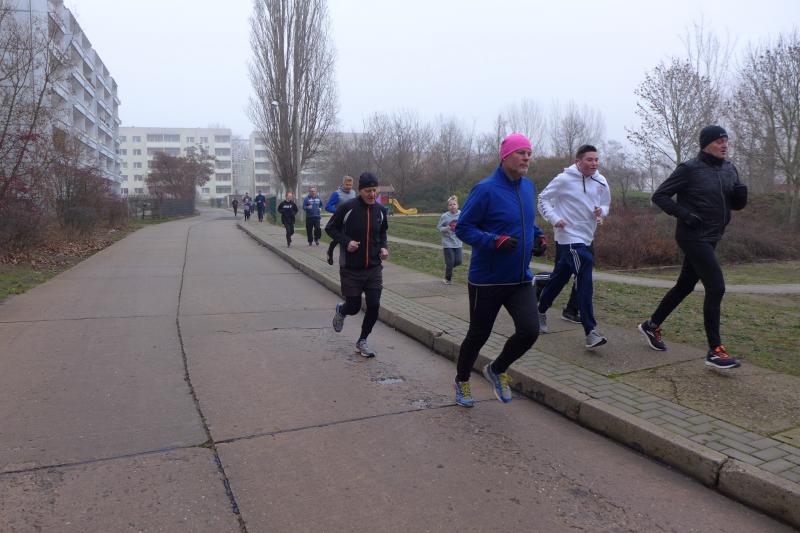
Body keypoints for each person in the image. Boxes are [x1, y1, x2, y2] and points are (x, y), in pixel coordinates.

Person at [638, 125, 748, 370]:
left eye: (726, 141)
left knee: (685, 285)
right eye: (719, 141)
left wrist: (741, 197)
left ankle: (651, 325)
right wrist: (685, 215)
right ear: (706, 144)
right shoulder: (689, 169)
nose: (724, 145)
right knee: (716, 287)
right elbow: (660, 195)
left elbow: (735, 205)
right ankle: (715, 351)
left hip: (713, 236)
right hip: (692, 235)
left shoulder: (730, 169)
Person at [452, 133, 544, 407]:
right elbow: (463, 228)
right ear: (505, 156)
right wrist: (494, 241)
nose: (526, 157)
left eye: (529, 153)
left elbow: (526, 221)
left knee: (530, 331)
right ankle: (462, 381)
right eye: (521, 153)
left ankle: (497, 368)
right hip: (487, 280)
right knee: (478, 335)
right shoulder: (485, 189)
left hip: (519, 278)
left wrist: (538, 236)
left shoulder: (528, 187)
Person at [537, 144, 611, 349]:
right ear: (578, 162)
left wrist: (601, 212)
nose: (594, 163)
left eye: (596, 159)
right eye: (589, 159)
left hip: (587, 236)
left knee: (559, 278)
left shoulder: (601, 181)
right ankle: (591, 331)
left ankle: (540, 310)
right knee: (584, 276)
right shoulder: (564, 179)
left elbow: (606, 204)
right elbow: (543, 198)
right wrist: (554, 218)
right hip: (568, 236)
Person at [327, 172, 389, 358]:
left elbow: (383, 233)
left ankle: (362, 340)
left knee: (374, 305)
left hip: (373, 267)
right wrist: (347, 242)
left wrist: (384, 248)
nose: (372, 194)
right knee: (353, 307)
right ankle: (341, 310)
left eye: (374, 190)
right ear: (360, 191)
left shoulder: (381, 210)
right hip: (351, 267)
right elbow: (330, 228)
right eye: (368, 191)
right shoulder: (348, 208)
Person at [325, 175, 357, 264]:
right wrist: (338, 211)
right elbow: (328, 206)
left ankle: (348, 260)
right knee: (340, 238)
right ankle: (331, 253)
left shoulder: (353, 193)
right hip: (339, 220)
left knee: (345, 238)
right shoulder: (337, 194)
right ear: (343, 184)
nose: (348, 187)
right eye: (347, 185)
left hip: (350, 221)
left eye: (350, 185)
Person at [437, 195, 463, 285]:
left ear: (457, 205)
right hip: (447, 242)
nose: (452, 206)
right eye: (450, 205)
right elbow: (439, 227)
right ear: (448, 207)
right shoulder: (445, 216)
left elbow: (465, 224)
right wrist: (446, 228)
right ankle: (447, 279)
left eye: (454, 204)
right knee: (450, 261)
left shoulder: (461, 215)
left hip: (458, 241)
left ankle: (449, 267)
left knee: (459, 261)